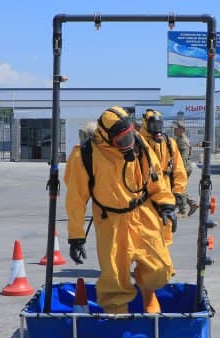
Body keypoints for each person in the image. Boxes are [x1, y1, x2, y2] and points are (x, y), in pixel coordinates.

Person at [64, 106, 175, 316]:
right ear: (106, 137)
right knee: (114, 279)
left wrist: (166, 204)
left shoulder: (140, 144)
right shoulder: (85, 155)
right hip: (110, 222)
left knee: (160, 268)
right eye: (122, 141)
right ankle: (119, 322)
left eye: (129, 138)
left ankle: (148, 292)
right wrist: (76, 237)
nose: (128, 145)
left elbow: (155, 176)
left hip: (142, 214)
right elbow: (76, 200)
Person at [140, 109, 189, 247]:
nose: (158, 129)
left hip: (166, 190)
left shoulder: (169, 143)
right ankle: (146, 265)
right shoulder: (139, 143)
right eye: (154, 126)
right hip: (145, 192)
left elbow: (179, 170)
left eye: (160, 125)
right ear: (146, 126)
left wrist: (178, 193)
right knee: (145, 230)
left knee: (166, 227)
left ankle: (162, 260)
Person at [172, 119, 199, 215]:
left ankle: (183, 210)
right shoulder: (178, 139)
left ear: (182, 129)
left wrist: (178, 169)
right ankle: (192, 203)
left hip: (184, 168)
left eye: (176, 129)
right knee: (178, 187)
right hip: (181, 168)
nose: (174, 130)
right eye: (174, 128)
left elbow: (183, 158)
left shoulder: (183, 141)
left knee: (180, 187)